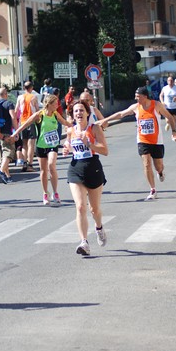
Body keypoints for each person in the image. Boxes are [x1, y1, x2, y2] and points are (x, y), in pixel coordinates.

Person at [99, 86, 176, 201]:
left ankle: (160, 172)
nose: (136, 99)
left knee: (158, 166)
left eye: (138, 96)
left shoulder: (156, 105)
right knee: (146, 164)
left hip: (156, 141)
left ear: (145, 96)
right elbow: (121, 114)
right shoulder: (136, 107)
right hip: (142, 141)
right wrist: (105, 120)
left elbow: (170, 117)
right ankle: (153, 189)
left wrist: (174, 131)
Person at [62, 100, 108, 255]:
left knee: (94, 209)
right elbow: (68, 144)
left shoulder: (94, 128)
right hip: (75, 169)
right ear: (72, 115)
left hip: (93, 169)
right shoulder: (71, 130)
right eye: (75, 111)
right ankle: (84, 242)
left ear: (88, 113)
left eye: (81, 110)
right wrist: (67, 148)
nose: (78, 113)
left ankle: (99, 227)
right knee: (81, 206)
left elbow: (105, 151)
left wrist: (89, 144)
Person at [11, 94, 71, 205]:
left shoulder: (55, 114)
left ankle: (55, 192)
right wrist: (15, 133)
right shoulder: (39, 115)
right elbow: (26, 123)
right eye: (56, 103)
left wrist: (76, 127)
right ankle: (45, 193)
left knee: (51, 165)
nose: (58, 105)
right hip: (41, 145)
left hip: (53, 144)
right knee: (43, 171)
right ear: (49, 104)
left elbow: (65, 123)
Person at [0, 87, 17, 184]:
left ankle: (7, 176)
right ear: (6, 94)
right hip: (7, 131)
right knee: (9, 152)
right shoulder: (9, 103)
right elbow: (13, 117)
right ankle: (1, 171)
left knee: (2, 154)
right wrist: (16, 131)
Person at [15, 81, 39, 172]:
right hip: (31, 121)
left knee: (24, 144)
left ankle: (24, 163)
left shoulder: (20, 97)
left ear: (24, 88)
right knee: (31, 145)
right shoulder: (34, 97)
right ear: (31, 88)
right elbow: (37, 110)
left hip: (22, 122)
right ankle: (30, 164)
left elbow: (16, 110)